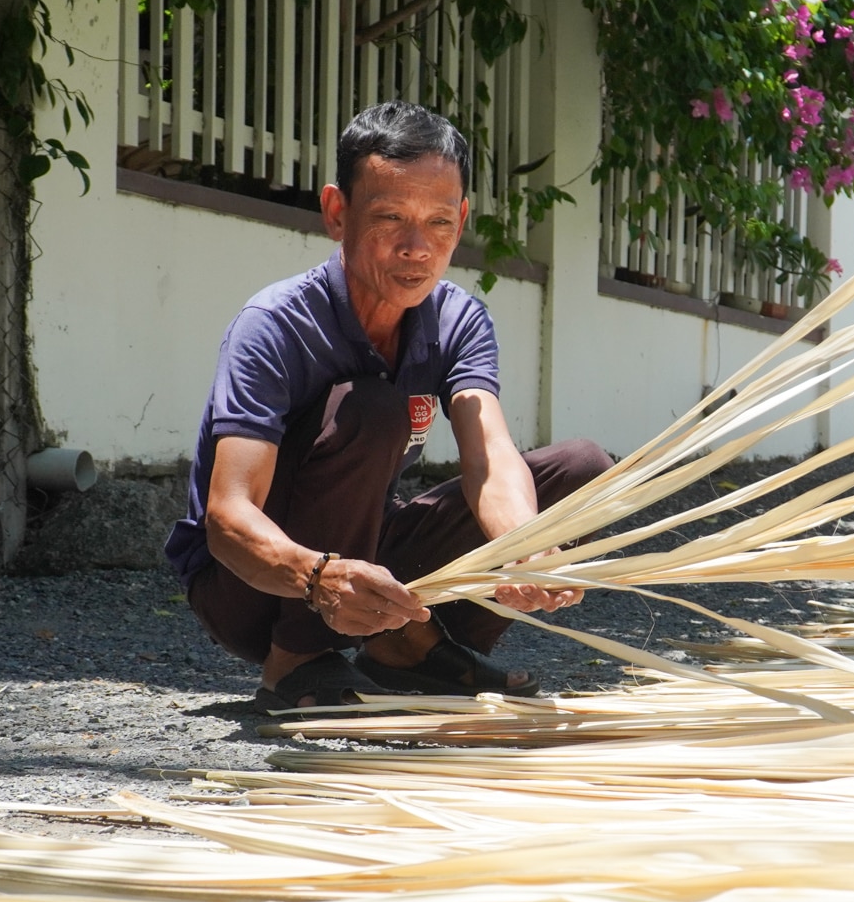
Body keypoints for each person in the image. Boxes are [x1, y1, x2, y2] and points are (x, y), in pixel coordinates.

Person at [165, 102, 613, 710]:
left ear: (462, 218)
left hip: (368, 558)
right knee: (372, 410)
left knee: (580, 468)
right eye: (389, 218)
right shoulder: (274, 324)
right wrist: (319, 578)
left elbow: (490, 459)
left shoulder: (457, 317)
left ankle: (415, 650)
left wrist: (525, 547)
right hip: (258, 588)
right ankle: (297, 662)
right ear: (336, 212)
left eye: (438, 223)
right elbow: (226, 519)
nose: (416, 248)